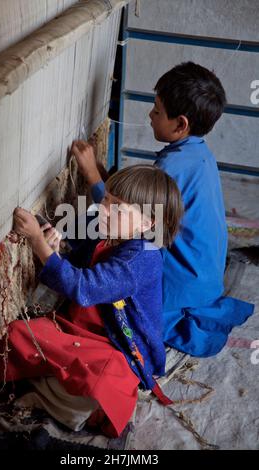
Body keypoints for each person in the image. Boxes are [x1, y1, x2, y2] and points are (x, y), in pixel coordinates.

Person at [71, 62, 254, 357]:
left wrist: (91, 174)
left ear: (180, 124)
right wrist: (101, 172)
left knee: (99, 249)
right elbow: (131, 202)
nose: (150, 115)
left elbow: (126, 220)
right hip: (206, 279)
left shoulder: (170, 168)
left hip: (182, 287)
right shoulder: (199, 154)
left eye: (157, 110)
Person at [0, 165, 183, 438]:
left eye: (118, 207)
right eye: (106, 199)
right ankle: (55, 390)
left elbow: (83, 286)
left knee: (103, 378)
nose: (104, 209)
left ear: (147, 223)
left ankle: (62, 396)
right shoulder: (110, 238)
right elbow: (77, 269)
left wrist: (37, 241)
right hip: (79, 331)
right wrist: (53, 248)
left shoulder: (143, 258)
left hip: (115, 346)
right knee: (17, 334)